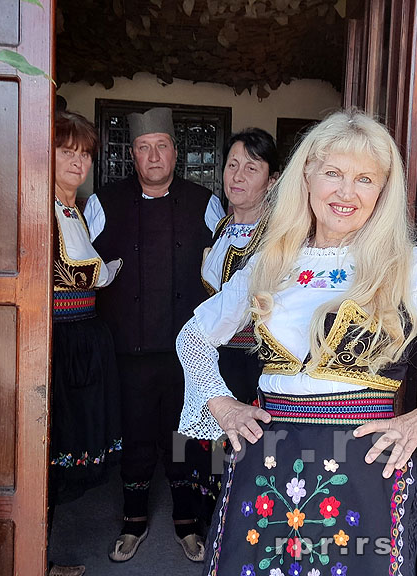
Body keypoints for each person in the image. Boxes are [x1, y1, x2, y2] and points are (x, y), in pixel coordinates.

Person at [176, 110, 417, 575]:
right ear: (307, 176)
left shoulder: (408, 267)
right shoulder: (270, 263)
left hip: (363, 470)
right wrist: (221, 404)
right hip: (266, 466)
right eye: (333, 173)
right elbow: (193, 337)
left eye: (365, 179)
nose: (346, 192)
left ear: (382, 191)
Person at [84, 106, 214, 563]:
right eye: (144, 148)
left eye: (161, 146)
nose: (153, 156)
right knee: (136, 436)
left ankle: (187, 522)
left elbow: (226, 271)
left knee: (183, 436)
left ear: (175, 153)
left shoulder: (205, 203)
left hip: (187, 351)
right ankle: (133, 521)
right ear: (132, 155)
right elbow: (78, 267)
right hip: (129, 349)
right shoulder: (103, 202)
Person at [47, 111, 123, 576]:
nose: (78, 162)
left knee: (71, 437)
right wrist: (104, 273)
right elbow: (66, 272)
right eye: (67, 151)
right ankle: (36, 556)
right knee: (52, 441)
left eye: (85, 154)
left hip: (84, 334)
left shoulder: (75, 209)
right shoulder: (42, 208)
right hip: (58, 339)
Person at [202, 128, 280, 404]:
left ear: (271, 181)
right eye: (232, 165)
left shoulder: (277, 235)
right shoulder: (222, 228)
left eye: (251, 168)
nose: (237, 176)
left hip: (257, 362)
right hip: (218, 357)